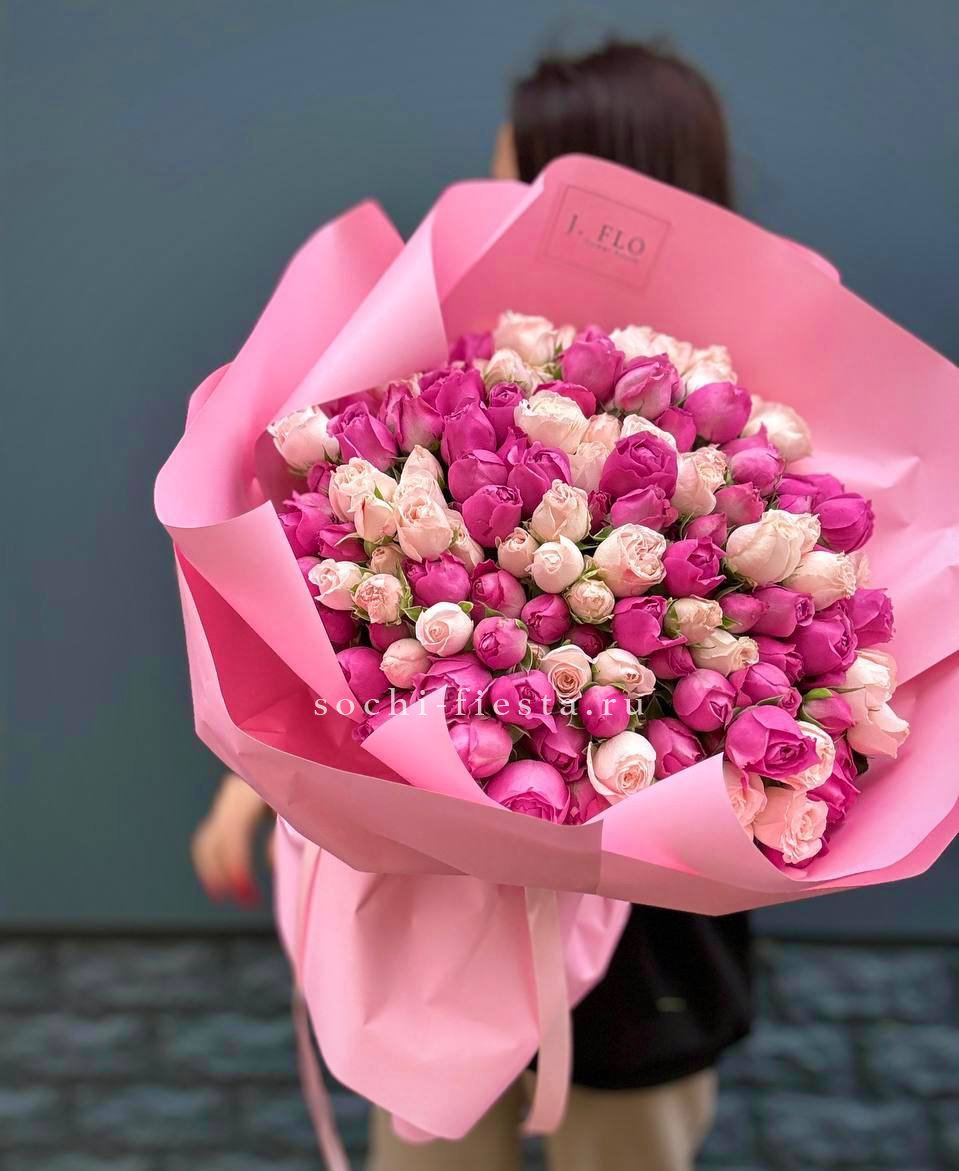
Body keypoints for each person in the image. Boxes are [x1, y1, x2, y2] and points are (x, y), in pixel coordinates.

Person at [193, 38, 751, 1171]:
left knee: (624, 1140)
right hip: (437, 919)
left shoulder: (735, 403)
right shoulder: (448, 363)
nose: (484, 198)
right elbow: (338, 616)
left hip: (643, 937)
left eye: (509, 175)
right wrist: (257, 769)